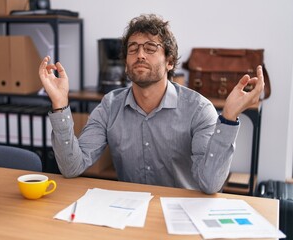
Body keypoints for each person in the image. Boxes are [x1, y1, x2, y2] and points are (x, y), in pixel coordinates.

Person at [38, 14, 264, 194]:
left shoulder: (198, 109)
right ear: (126, 62)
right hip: (129, 213)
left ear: (170, 62)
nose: (140, 55)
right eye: (133, 49)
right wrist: (60, 103)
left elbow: (210, 183)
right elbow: (71, 168)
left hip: (182, 215)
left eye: (150, 48)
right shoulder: (110, 105)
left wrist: (229, 117)